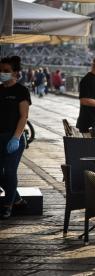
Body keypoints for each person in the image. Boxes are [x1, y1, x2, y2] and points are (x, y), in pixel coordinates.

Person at [0, 56, 31, 219]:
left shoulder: (21, 91)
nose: (2, 73)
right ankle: (17, 199)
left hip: (14, 137)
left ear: (15, 73)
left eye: (6, 71)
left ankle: (8, 205)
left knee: (10, 172)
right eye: (1, 70)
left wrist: (16, 138)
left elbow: (23, 116)